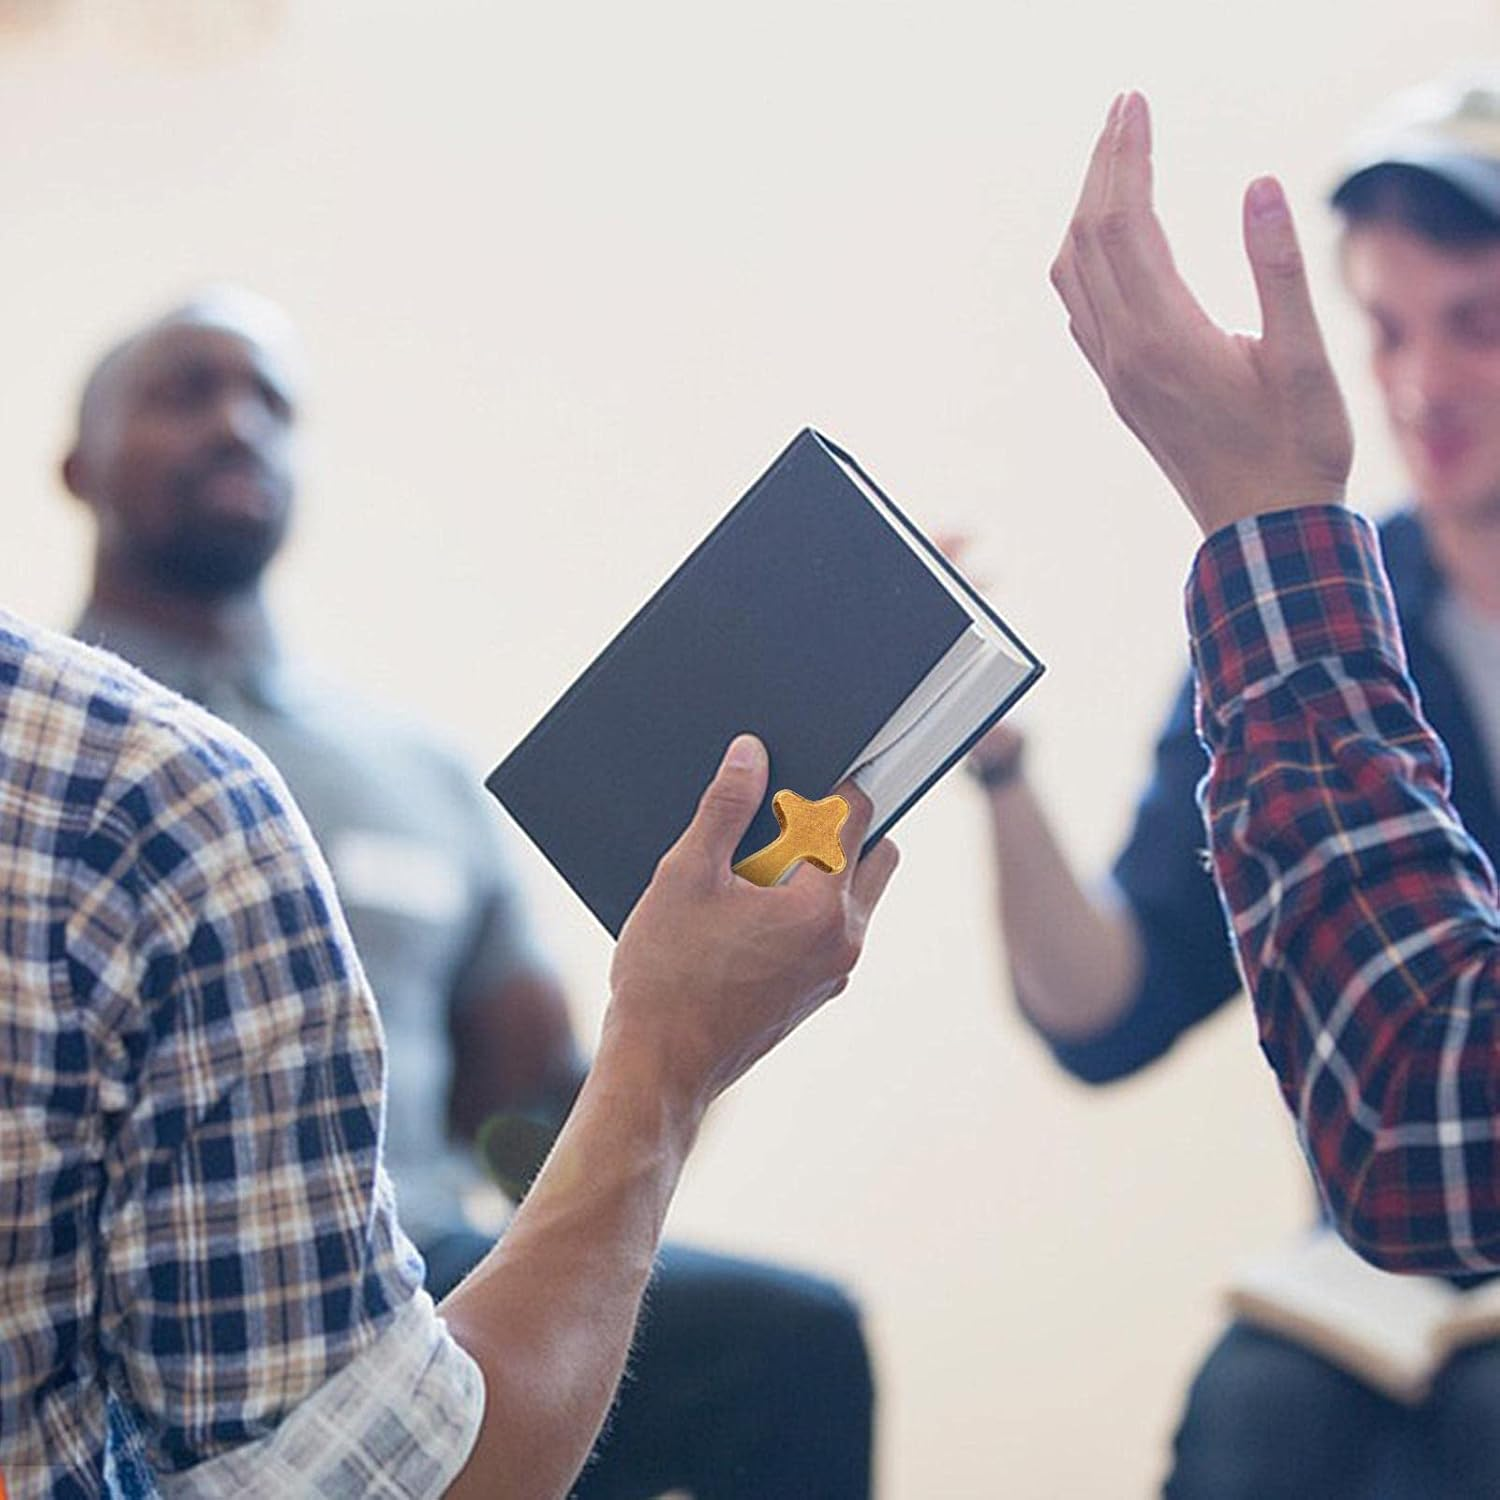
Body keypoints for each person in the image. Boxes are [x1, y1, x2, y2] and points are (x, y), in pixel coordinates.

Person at [54, 292, 881, 1499]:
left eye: (271, 404)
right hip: (139, 1283)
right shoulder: (40, 755)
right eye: (185, 392)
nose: (237, 425)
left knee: (789, 1344)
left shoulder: (418, 776)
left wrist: (694, 1013)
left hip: (404, 1268)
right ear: (78, 464)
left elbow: (525, 1134)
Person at [972, 74, 1500, 1499]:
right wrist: (997, 767)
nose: (1422, 385)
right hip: (1379, 1289)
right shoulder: (1333, 607)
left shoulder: (1299, 599)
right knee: (1254, 1420)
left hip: (1447, 1211)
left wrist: (1264, 521)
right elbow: (1109, 1006)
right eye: (1386, 330)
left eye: (1479, 326)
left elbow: (1418, 1118)